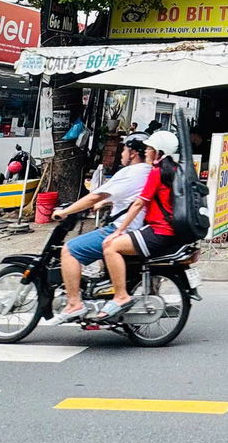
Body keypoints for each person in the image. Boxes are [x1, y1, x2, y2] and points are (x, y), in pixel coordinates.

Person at [47, 134, 153, 324]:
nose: (121, 154)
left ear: (133, 153)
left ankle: (74, 304)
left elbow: (94, 196)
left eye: (124, 150)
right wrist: (105, 202)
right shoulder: (147, 171)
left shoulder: (131, 172)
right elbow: (126, 196)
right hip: (136, 227)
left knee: (70, 250)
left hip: (121, 229)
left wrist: (65, 212)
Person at [96, 129, 182, 320]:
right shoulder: (174, 170)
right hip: (167, 230)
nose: (146, 152)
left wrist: (119, 230)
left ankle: (121, 297)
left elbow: (138, 203)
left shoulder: (157, 172)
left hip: (159, 231)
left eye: (149, 149)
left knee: (110, 246)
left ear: (158, 152)